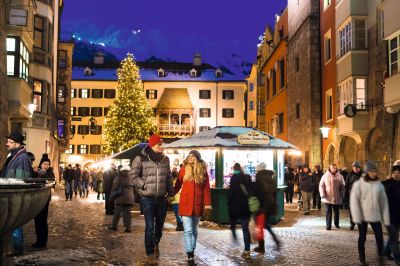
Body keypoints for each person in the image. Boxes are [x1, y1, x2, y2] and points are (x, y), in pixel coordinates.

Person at [130, 134, 173, 265]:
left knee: (159, 226)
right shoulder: (140, 158)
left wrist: (170, 192)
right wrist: (143, 185)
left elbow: (168, 177)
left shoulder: (165, 159)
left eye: (162, 144)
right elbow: (133, 176)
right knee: (150, 226)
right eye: (159, 144)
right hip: (147, 198)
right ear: (152, 145)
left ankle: (155, 243)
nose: (161, 146)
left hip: (161, 198)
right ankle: (149, 252)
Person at [174, 150, 211, 266]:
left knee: (194, 230)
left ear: (197, 158)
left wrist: (208, 204)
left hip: (197, 204)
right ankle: (189, 253)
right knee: (188, 230)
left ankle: (192, 249)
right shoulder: (184, 169)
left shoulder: (202, 171)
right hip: (185, 203)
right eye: (189, 156)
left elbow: (206, 189)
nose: (190, 158)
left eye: (193, 156)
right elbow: (178, 184)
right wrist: (171, 194)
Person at [350, 161, 390, 266]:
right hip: (362, 216)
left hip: (375, 215)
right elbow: (354, 201)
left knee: (379, 238)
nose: (373, 173)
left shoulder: (379, 185)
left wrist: (386, 218)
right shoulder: (359, 184)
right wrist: (356, 217)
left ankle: (381, 259)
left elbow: (384, 202)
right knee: (362, 237)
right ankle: (362, 257)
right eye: (371, 171)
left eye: (375, 171)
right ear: (367, 172)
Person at [0, 132, 32, 256]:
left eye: (10, 142)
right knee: (12, 223)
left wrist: (16, 194)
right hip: (10, 194)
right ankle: (14, 247)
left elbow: (20, 179)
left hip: (15, 195)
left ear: (17, 144)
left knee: (16, 223)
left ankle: (18, 249)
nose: (7, 143)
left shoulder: (22, 157)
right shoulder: (14, 155)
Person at [253, 162, 280, 254]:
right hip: (270, 205)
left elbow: (258, 193)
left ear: (259, 169)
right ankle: (276, 240)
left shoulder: (259, 178)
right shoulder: (272, 179)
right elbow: (274, 194)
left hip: (262, 206)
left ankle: (261, 247)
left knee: (260, 225)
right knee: (266, 225)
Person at [227, 163, 252, 259]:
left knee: (233, 224)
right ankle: (247, 250)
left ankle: (235, 237)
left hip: (235, 207)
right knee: (245, 229)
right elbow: (250, 191)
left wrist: (229, 204)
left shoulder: (233, 178)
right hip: (245, 207)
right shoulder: (247, 177)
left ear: (234, 169)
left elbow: (231, 193)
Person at [33, 155, 55, 249]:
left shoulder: (50, 173)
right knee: (37, 220)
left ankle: (43, 241)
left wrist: (42, 173)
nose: (46, 165)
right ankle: (38, 240)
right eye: (44, 164)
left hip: (45, 199)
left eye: (48, 164)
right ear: (41, 164)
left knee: (43, 220)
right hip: (36, 199)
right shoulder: (36, 172)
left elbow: (52, 182)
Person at [108, 165, 134, 232]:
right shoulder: (131, 177)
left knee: (117, 212)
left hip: (120, 197)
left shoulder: (119, 176)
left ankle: (114, 226)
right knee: (128, 214)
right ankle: (128, 228)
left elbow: (114, 187)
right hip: (129, 197)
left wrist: (111, 197)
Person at [319, 163, 345, 230]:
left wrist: (342, 194)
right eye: (333, 168)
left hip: (337, 196)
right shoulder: (325, 176)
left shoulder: (340, 176)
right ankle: (328, 225)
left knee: (336, 211)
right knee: (328, 211)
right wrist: (322, 194)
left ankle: (336, 223)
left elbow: (343, 186)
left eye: (335, 168)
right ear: (330, 168)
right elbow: (321, 185)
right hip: (328, 197)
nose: (334, 169)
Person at [383, 164, 400, 265]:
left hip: (398, 216)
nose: (398, 174)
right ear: (392, 173)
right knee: (394, 238)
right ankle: (398, 259)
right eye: (396, 172)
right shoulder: (386, 184)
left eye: (399, 172)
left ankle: (386, 251)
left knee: (393, 236)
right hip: (389, 216)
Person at [345, 161, 363, 230]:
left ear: (359, 168)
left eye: (357, 168)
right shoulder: (349, 174)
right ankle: (352, 224)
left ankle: (360, 224)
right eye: (354, 167)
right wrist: (345, 195)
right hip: (351, 196)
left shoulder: (363, 175)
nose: (355, 169)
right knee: (352, 211)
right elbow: (346, 185)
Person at [171, 167, 183, 231]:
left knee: (177, 213)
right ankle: (179, 225)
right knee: (180, 213)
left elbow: (173, 191)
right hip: (181, 199)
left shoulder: (173, 182)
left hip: (175, 200)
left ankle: (180, 224)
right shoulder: (180, 181)